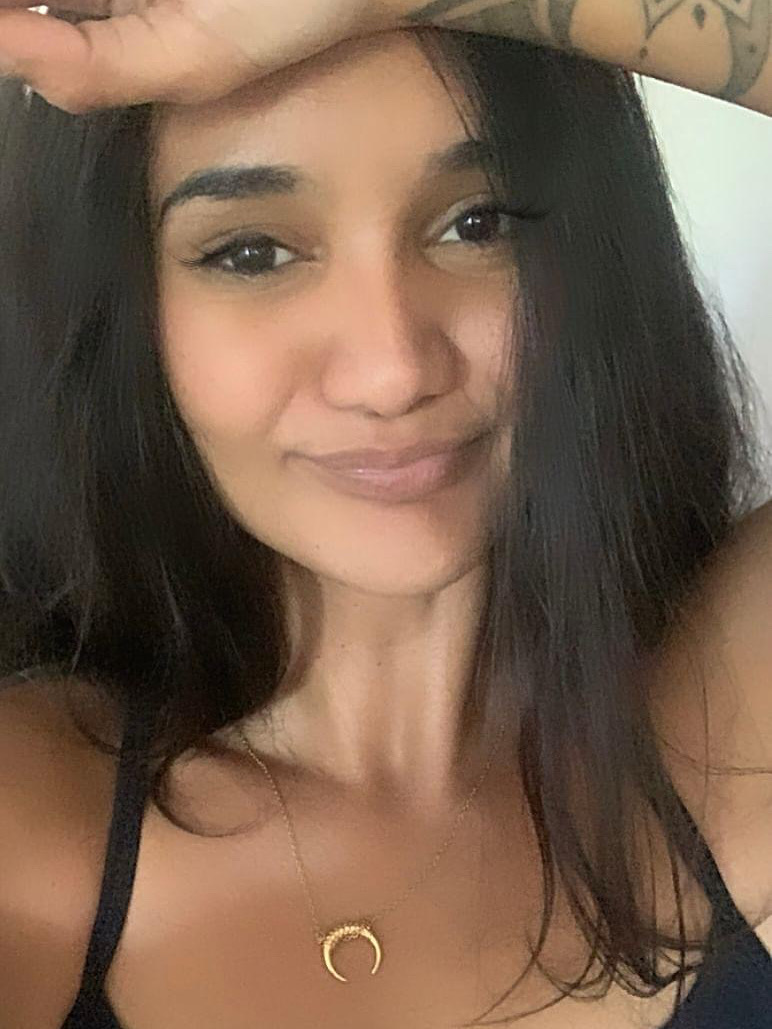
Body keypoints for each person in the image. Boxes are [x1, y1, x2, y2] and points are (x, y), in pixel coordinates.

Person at [0, 3, 769, 1029]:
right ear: (122, 311)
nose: (393, 369)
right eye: (251, 253)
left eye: (478, 224)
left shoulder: (727, 725)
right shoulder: (32, 827)